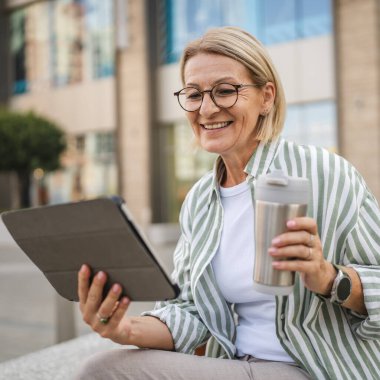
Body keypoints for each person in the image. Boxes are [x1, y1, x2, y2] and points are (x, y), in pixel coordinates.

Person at [74, 26, 380, 380]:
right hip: (237, 364)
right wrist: (123, 329)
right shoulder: (201, 200)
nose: (206, 108)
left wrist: (329, 278)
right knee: (102, 368)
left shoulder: (325, 173)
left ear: (266, 97)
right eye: (193, 94)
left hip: (314, 368)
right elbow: (192, 311)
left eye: (225, 91)